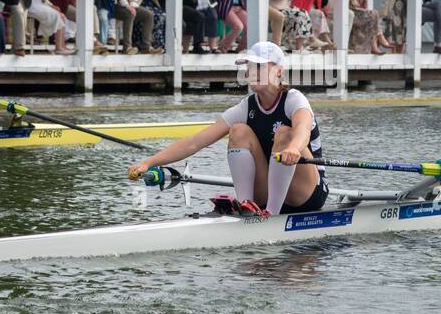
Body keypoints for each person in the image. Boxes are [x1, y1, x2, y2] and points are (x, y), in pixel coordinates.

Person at [127, 41, 328, 217]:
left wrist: (293, 148)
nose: (251, 72)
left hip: (306, 193)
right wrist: (148, 162)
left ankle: (271, 216)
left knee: (285, 133)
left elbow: (303, 129)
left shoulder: (294, 99)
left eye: (259, 66)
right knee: (238, 131)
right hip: (269, 191)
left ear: (278, 71)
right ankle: (246, 206)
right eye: (249, 67)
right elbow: (195, 142)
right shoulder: (245, 107)